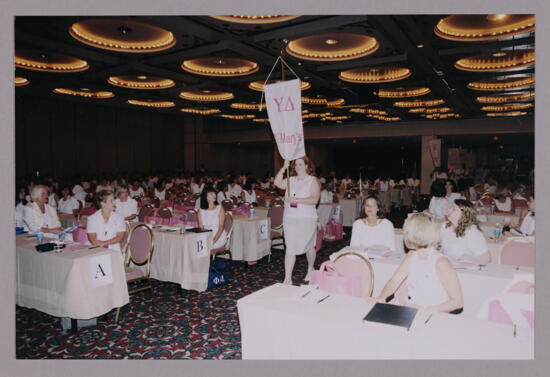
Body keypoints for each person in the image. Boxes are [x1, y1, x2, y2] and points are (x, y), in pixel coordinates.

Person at [376, 213, 464, 313]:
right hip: (413, 309)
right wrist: (382, 297)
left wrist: (424, 310)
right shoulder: (412, 255)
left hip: (434, 313)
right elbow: (394, 281)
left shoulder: (441, 262)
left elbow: (458, 302)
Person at [274, 156, 320, 284]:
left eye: (300, 164)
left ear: (306, 166)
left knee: (309, 246)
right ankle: (287, 278)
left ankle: (310, 268)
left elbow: (314, 199)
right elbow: (277, 183)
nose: (298, 167)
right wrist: (283, 168)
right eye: (296, 165)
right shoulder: (291, 179)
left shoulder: (312, 180)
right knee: (290, 248)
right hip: (290, 218)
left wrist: (297, 200)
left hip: (307, 219)